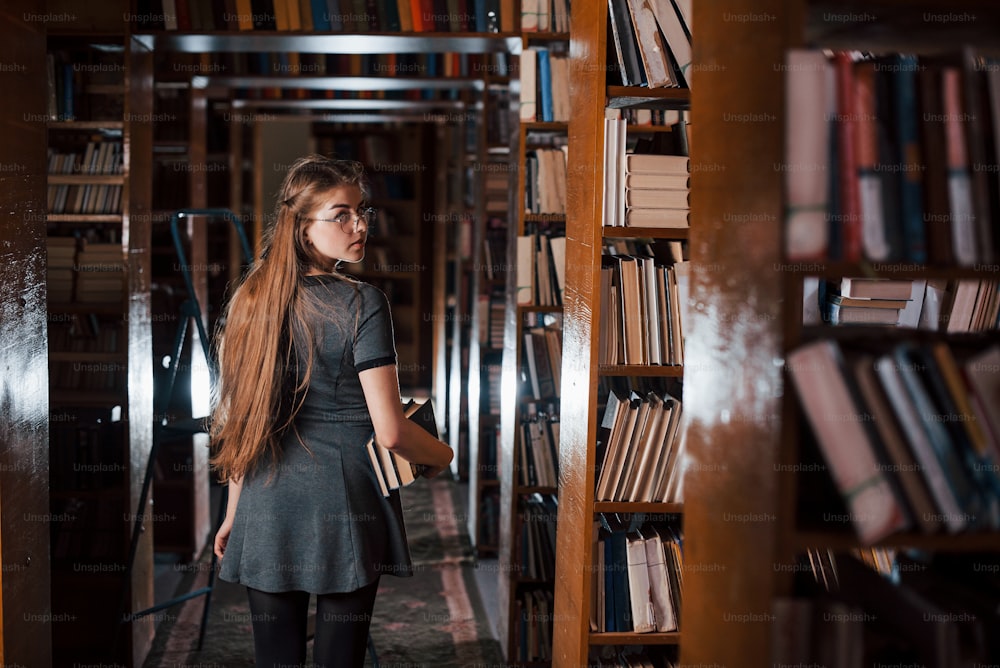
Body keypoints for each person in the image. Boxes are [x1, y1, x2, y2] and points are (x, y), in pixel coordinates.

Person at [209, 155, 454, 668]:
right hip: (346, 501)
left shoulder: (247, 301)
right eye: (341, 214)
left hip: (264, 501)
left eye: (362, 211)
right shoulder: (363, 303)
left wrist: (235, 512)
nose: (360, 224)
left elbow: (239, 421)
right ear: (302, 228)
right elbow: (391, 432)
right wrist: (442, 453)